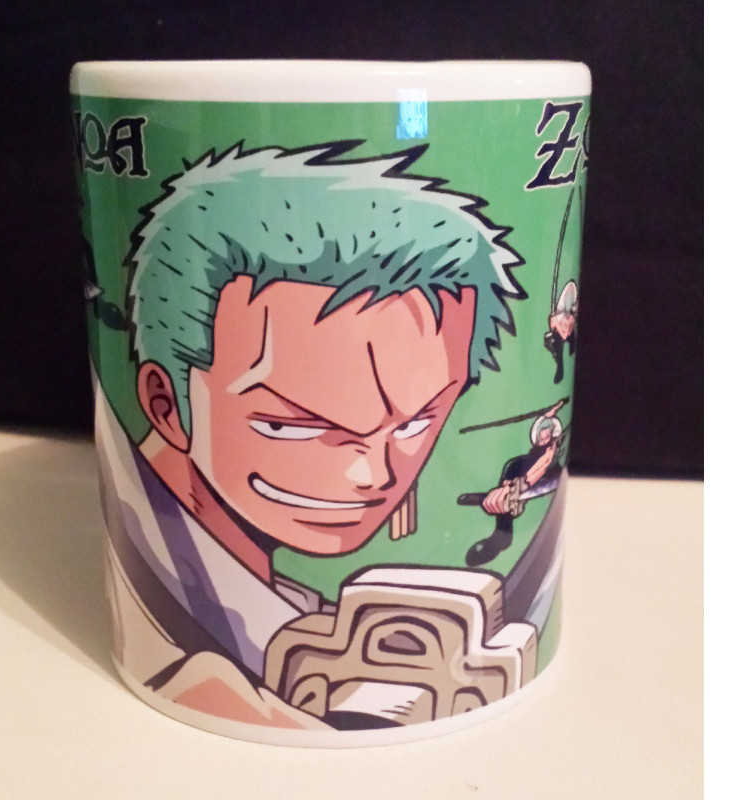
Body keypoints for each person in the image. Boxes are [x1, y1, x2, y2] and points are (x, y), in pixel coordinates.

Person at [96, 140, 528, 729]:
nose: (372, 474)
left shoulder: (271, 606)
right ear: (165, 405)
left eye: (414, 423)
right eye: (292, 426)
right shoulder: (177, 625)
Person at [464, 401, 566, 567]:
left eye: (547, 437)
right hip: (525, 475)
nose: (543, 440)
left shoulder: (551, 455)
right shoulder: (525, 459)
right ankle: (502, 529)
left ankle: (509, 526)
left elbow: (547, 466)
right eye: (541, 437)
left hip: (547, 476)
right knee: (513, 466)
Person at [544, 280, 578, 384]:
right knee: (553, 341)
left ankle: (563, 362)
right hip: (560, 331)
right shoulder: (561, 315)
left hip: (566, 330)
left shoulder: (569, 314)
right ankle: (560, 365)